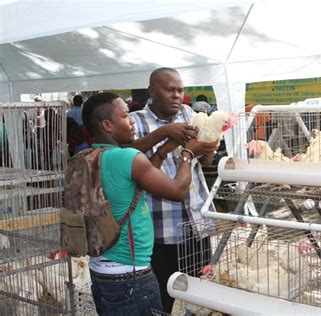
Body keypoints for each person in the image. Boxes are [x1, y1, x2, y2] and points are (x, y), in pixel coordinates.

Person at [81, 92, 216, 315]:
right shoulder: (126, 158)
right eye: (125, 116)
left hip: (102, 268)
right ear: (107, 124)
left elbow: (141, 183)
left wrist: (164, 149)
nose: (132, 121)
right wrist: (188, 154)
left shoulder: (93, 155)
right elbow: (177, 191)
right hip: (130, 276)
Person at [130, 68, 218, 313]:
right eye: (169, 89)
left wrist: (209, 147)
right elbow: (128, 154)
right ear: (151, 91)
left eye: (180, 90)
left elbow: (206, 162)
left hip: (196, 221)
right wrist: (163, 133)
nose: (176, 95)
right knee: (163, 297)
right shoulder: (135, 120)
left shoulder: (189, 114)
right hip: (161, 229)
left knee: (200, 296)